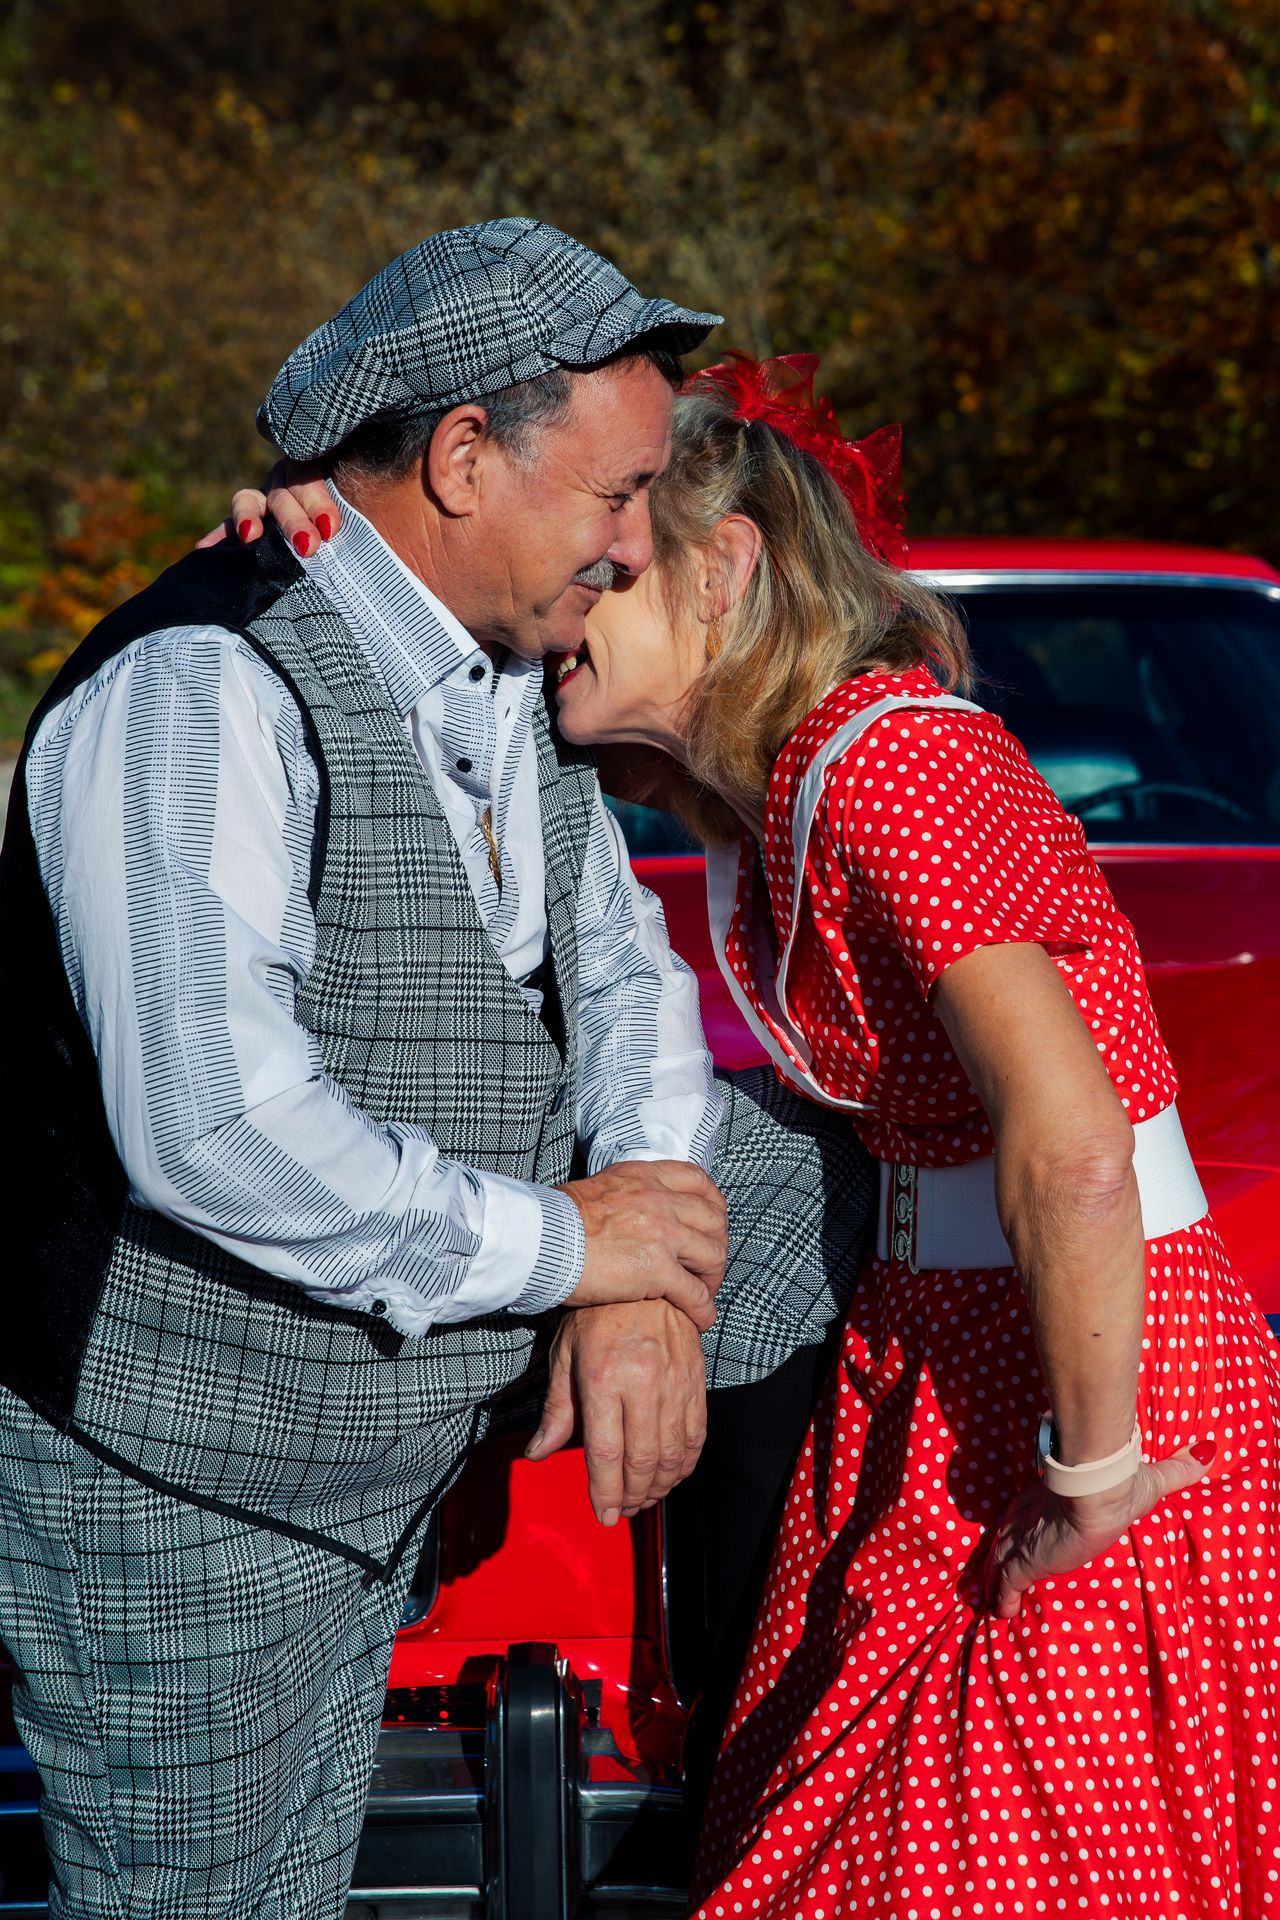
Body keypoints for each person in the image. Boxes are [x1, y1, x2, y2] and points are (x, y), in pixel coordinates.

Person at [267, 347, 1280, 1913]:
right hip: (941, 1372)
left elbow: (1071, 1142)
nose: (574, 586)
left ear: (725, 569)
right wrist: (310, 558)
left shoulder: (895, 761)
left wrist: (1092, 1475)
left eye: (615, 548)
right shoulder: (774, 803)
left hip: (1091, 1399)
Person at [0, 227, 873, 1920]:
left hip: (374, 1454)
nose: (637, 549)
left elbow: (620, 971)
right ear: (464, 458)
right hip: (189, 1490)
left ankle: (800, 1762)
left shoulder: (491, 673)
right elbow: (217, 1129)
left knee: (818, 1169)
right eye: (615, 496)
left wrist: (648, 1279)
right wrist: (572, 1247)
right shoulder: (202, 687)